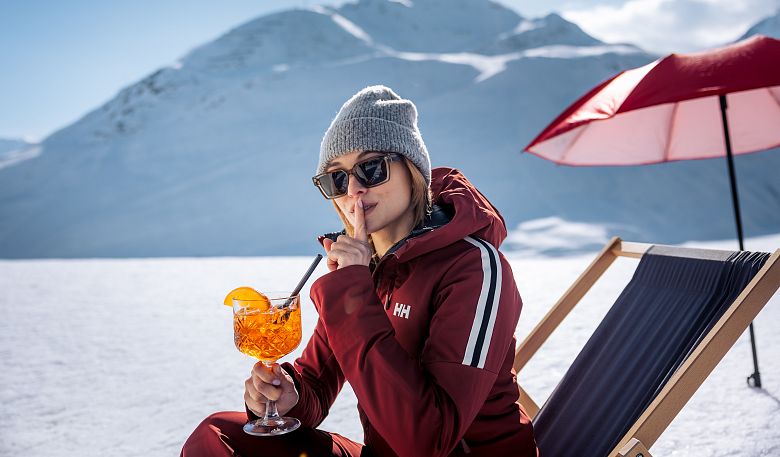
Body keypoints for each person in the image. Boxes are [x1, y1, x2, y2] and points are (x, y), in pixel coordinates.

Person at [181, 85, 538, 456]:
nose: (353, 188)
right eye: (336, 178)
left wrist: (352, 291)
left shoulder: (472, 266)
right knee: (218, 436)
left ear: (412, 169)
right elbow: (317, 385)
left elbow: (427, 441)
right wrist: (290, 395)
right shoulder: (364, 269)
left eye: (370, 168)